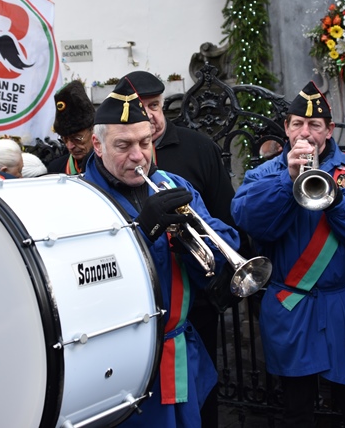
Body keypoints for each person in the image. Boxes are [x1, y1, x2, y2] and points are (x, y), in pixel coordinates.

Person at [231, 80, 345, 427]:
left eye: (315, 125)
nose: (306, 133)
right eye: (297, 124)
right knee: (297, 410)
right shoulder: (264, 174)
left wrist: (335, 199)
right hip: (293, 305)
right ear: (287, 129)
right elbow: (251, 223)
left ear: (330, 129)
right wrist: (286, 183)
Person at [82, 79, 240, 428]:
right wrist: (143, 233)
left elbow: (227, 239)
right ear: (97, 144)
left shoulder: (173, 183)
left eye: (145, 142)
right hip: (123, 361)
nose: (138, 156)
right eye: (123, 145)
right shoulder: (80, 200)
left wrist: (197, 238)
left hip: (181, 348)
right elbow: (85, 278)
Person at [46, 80, 95, 174]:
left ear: (93, 131)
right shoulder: (55, 169)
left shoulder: (109, 167)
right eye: (64, 139)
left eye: (77, 138)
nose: (70, 146)